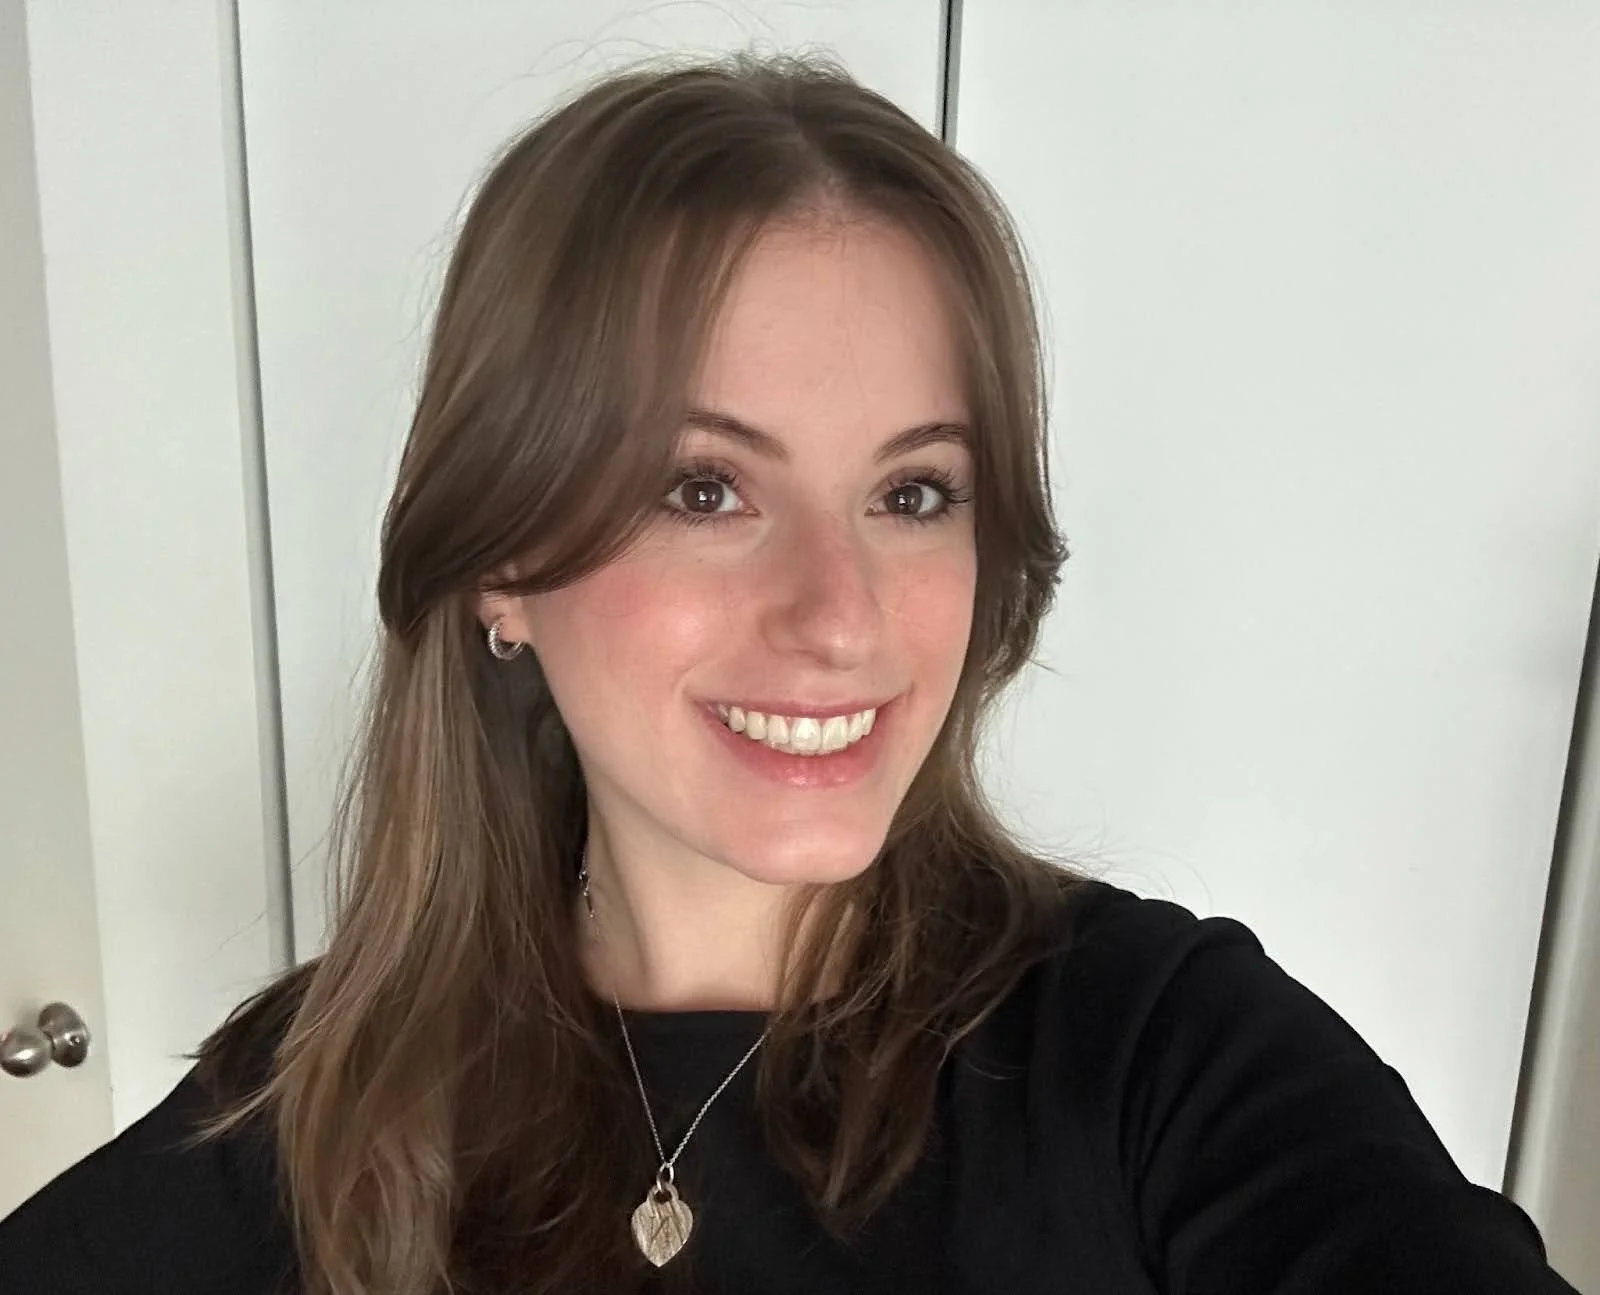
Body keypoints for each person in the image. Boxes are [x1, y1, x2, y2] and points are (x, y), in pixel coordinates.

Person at [0, 48, 1582, 1295]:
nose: (840, 616)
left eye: (913, 493)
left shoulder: (1157, 1055)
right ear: (498, 566)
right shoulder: (324, 1094)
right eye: (705, 489)